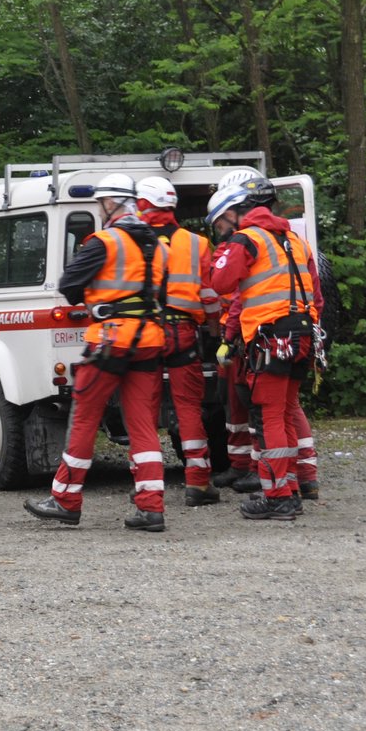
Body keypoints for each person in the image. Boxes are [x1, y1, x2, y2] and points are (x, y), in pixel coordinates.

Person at [25, 173, 170, 532]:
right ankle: (151, 507)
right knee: (142, 425)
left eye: (100, 203)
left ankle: (65, 499)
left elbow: (69, 285)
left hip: (110, 341)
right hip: (149, 341)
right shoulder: (159, 246)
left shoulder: (103, 242)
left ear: (110, 203)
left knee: (85, 417)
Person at [209, 177, 324, 521]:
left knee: (270, 415)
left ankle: (277, 496)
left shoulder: (248, 239)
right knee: (286, 412)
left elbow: (220, 283)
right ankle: (287, 488)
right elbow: (316, 293)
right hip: (304, 337)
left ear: (241, 210)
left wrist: (225, 249)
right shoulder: (295, 240)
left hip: (272, 338)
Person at [136, 175, 222, 506]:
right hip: (184, 333)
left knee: (142, 409)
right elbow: (210, 293)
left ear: (144, 204)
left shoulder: (131, 240)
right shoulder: (198, 243)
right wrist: (215, 327)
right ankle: (198, 483)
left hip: (145, 334)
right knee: (188, 407)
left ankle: (146, 485)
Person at [203, 184, 260, 495]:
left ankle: (262, 468)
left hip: (246, 336)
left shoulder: (248, 245)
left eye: (219, 223)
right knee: (233, 405)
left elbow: (240, 296)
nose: (218, 231)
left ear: (231, 214)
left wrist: (229, 334)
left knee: (256, 406)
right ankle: (239, 465)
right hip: (235, 338)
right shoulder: (230, 247)